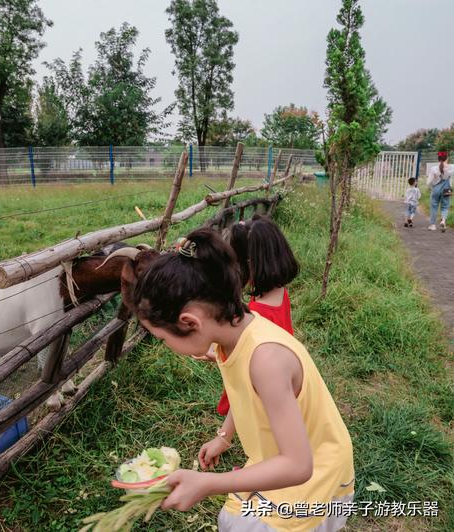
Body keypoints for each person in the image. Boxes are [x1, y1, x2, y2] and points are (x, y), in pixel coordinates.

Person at [122, 228, 354, 531]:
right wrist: (224, 436)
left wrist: (208, 484)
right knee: (231, 520)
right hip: (278, 459)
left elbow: (299, 466)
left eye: (162, 337)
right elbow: (244, 391)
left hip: (316, 479)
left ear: (190, 322)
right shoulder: (231, 336)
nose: (166, 346)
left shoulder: (267, 360)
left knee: (237, 524)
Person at [215, 215, 299, 417]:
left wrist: (214, 355)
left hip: (264, 390)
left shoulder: (257, 315)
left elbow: (246, 367)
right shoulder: (280, 292)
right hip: (282, 370)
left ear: (249, 264)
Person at [426, 151, 454, 232]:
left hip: (436, 189)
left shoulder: (434, 168)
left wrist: (431, 188)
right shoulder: (451, 167)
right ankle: (443, 221)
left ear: (438, 159)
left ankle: (432, 225)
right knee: (445, 206)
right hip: (447, 189)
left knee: (434, 206)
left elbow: (429, 182)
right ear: (447, 158)